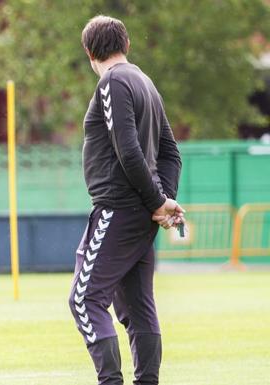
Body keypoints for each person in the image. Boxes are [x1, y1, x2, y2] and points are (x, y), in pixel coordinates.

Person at [68, 15, 184, 385]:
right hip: (141, 213)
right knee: (137, 306)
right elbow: (170, 153)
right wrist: (163, 201)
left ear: (89, 51)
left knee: (84, 299)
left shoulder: (113, 82)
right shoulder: (145, 82)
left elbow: (129, 152)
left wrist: (157, 202)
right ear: (127, 44)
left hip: (118, 208)